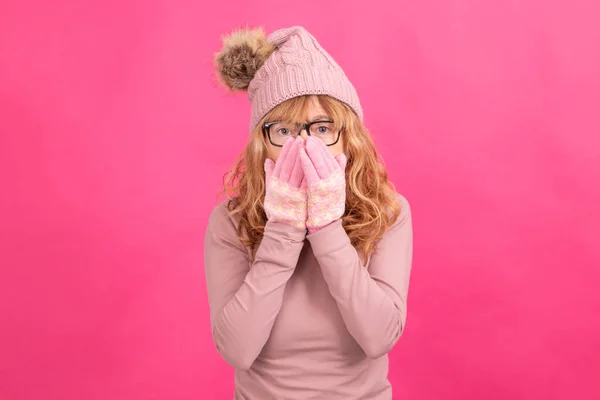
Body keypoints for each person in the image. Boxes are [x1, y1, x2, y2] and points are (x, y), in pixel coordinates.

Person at [205, 26, 414, 399]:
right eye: (283, 130)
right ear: (260, 145)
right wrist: (283, 229)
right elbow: (236, 349)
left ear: (348, 136)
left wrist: (327, 227)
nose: (303, 145)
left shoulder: (388, 212)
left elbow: (379, 337)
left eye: (321, 127)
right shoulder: (230, 221)